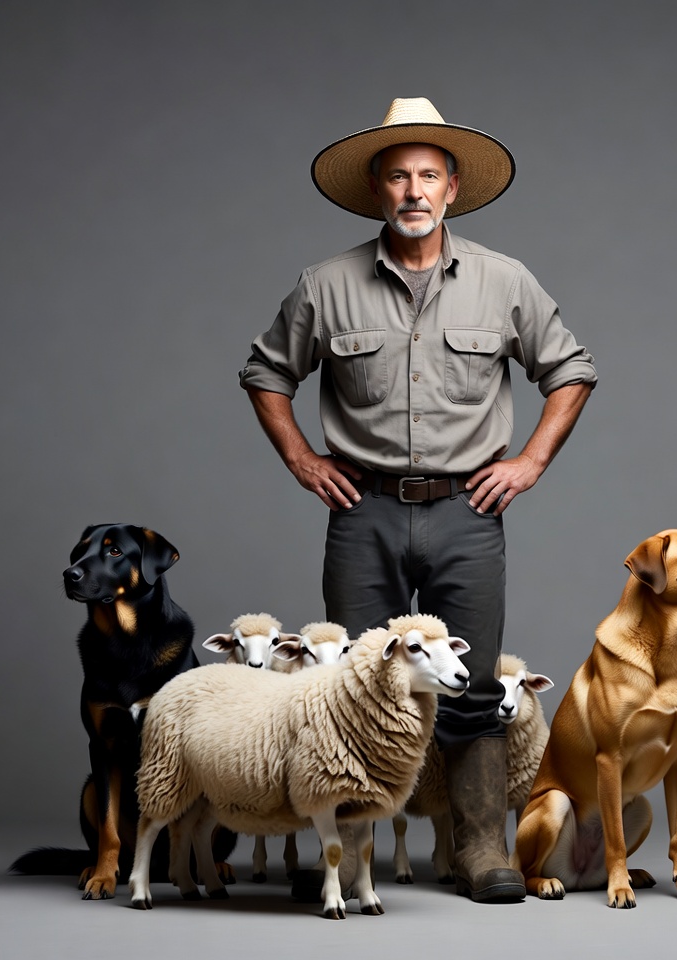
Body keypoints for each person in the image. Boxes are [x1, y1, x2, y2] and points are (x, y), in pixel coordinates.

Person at [240, 97, 597, 903]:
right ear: (376, 189)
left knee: (467, 688)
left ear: (452, 187)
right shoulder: (325, 285)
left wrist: (531, 460)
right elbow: (266, 373)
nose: (413, 191)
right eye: (398, 175)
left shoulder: (506, 281)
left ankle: (475, 850)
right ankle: (350, 859)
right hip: (360, 512)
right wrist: (300, 456)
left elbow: (570, 370)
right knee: (356, 688)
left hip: (467, 515)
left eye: (428, 175)